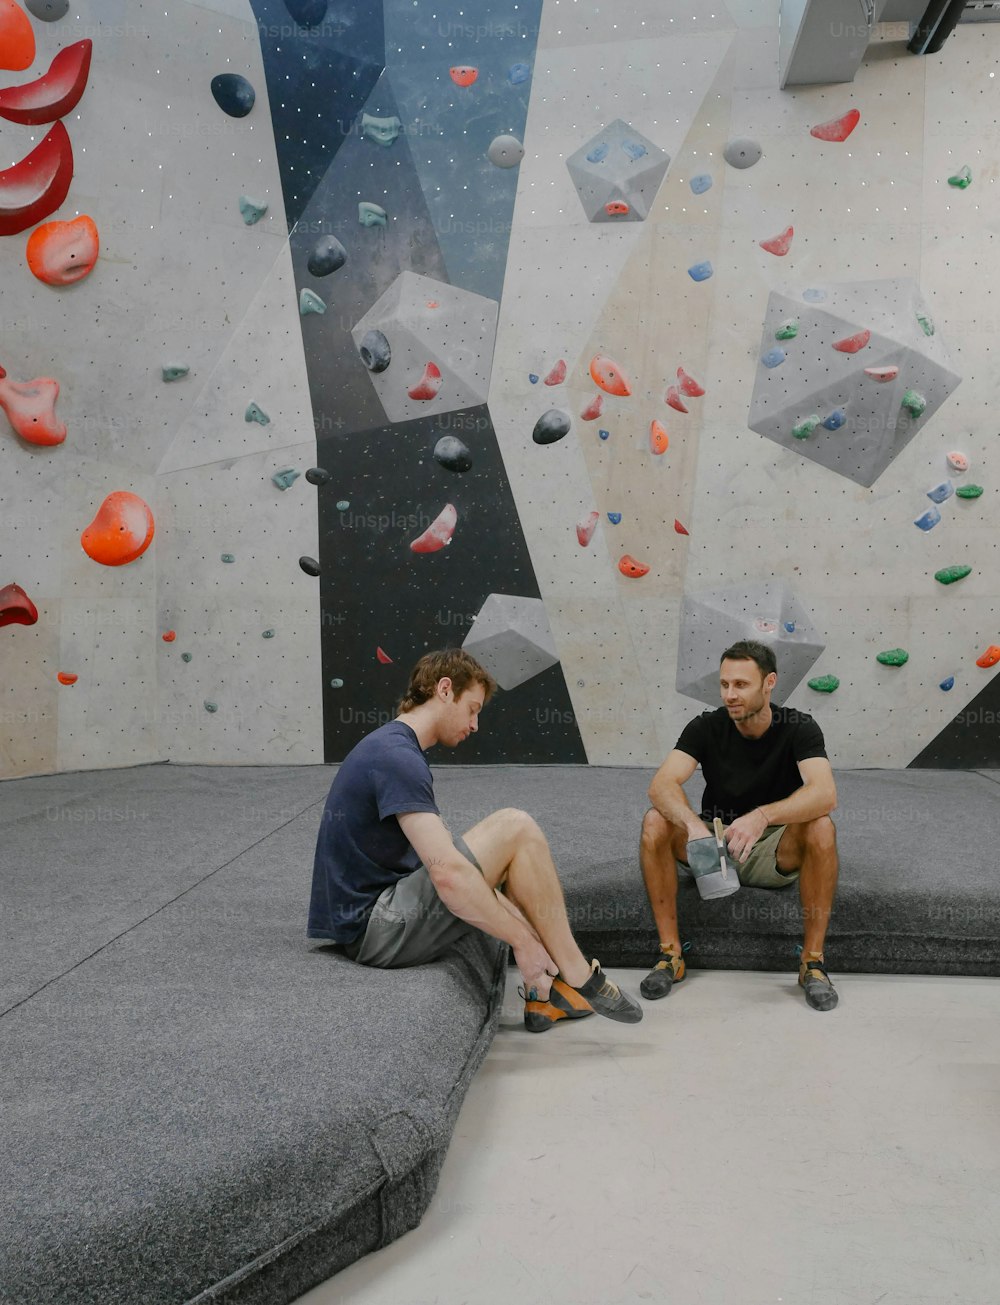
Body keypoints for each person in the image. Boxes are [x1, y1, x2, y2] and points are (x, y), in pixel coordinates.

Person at [308, 648, 642, 1032]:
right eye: (473, 708)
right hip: (376, 929)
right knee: (515, 826)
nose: (475, 724)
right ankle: (580, 975)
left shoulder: (392, 748)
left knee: (501, 861)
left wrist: (533, 943)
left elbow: (457, 869)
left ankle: (547, 993)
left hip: (376, 918)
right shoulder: (396, 758)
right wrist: (523, 943)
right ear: (445, 689)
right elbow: (448, 876)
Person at [639, 640, 840, 1011]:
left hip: (774, 848)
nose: (730, 695)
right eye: (725, 684)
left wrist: (762, 815)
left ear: (769, 682)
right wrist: (693, 826)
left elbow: (825, 793)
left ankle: (812, 963)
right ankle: (671, 955)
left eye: (741, 685)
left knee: (822, 826)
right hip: (711, 846)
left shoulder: (799, 727)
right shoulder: (706, 726)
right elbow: (661, 785)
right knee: (655, 821)